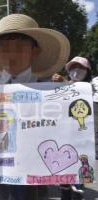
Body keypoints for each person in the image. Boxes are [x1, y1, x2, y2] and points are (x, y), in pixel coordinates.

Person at [0, 14, 70, 200]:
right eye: (5, 48)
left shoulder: (53, 93)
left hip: (35, 179)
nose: (12, 54)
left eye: (20, 47)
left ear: (35, 51)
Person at [52, 56, 91, 200]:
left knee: (80, 167)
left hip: (82, 136)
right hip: (63, 134)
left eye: (80, 68)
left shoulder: (91, 87)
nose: (76, 71)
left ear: (87, 71)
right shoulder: (61, 84)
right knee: (65, 168)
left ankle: (78, 193)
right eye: (73, 67)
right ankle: (65, 194)